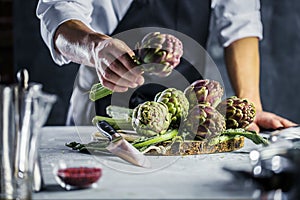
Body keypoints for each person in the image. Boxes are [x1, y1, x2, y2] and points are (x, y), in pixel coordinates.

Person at [36, 0, 296, 132]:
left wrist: (250, 108)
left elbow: (241, 22)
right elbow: (60, 12)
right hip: (100, 107)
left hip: (189, 113)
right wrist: (96, 47)